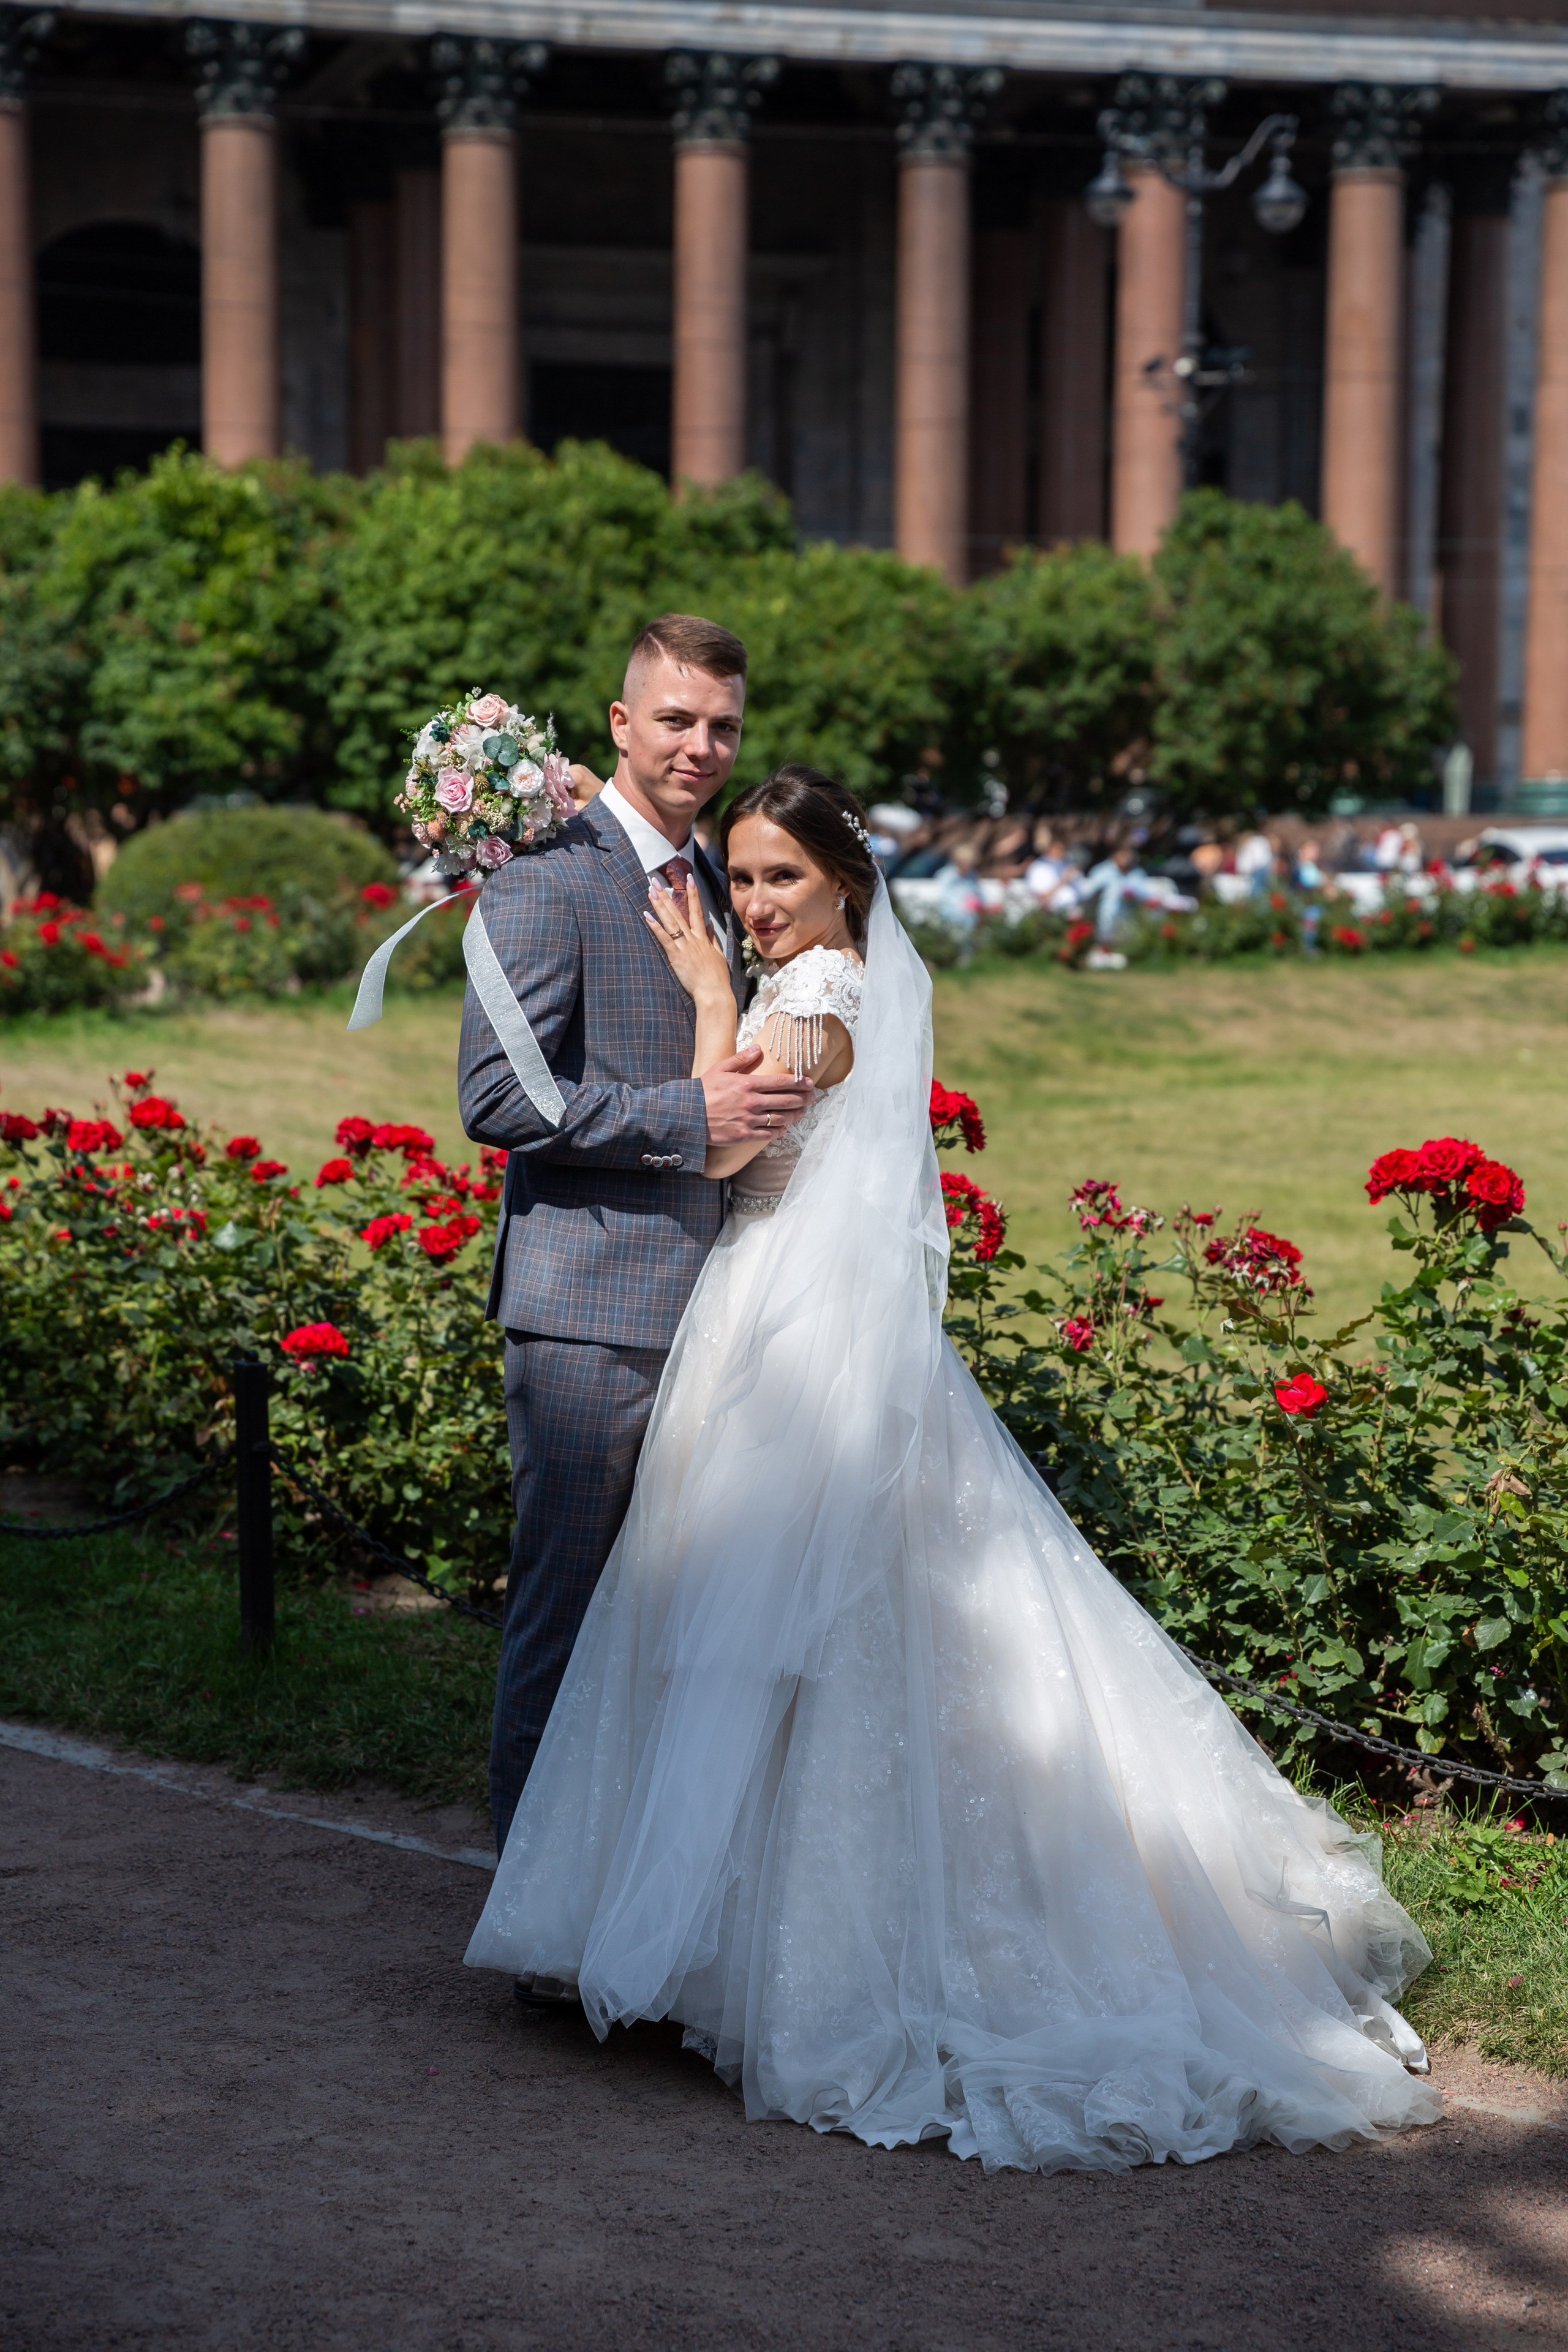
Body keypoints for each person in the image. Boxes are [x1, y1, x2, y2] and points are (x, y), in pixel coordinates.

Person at [465, 765, 1441, 2176]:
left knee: (787, 1623)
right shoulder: (823, 978)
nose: (749, 903)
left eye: (777, 879)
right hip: (772, 1310)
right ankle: (701, 1940)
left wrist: (707, 993)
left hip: (790, 1326)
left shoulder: (821, 997)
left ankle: (766, 1955)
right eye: (738, 879)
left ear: (842, 887)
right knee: (743, 1624)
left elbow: (734, 1133)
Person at [458, 614, 816, 1850]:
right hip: (588, 1321)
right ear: (620, 725)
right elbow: (496, 1099)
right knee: (565, 1615)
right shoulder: (547, 874)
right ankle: (529, 1907)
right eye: (674, 719)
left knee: (665, 1631)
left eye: (721, 725)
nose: (700, 746)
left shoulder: (721, 879)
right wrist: (687, 1113)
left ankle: (617, 1900)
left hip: (718, 1316)